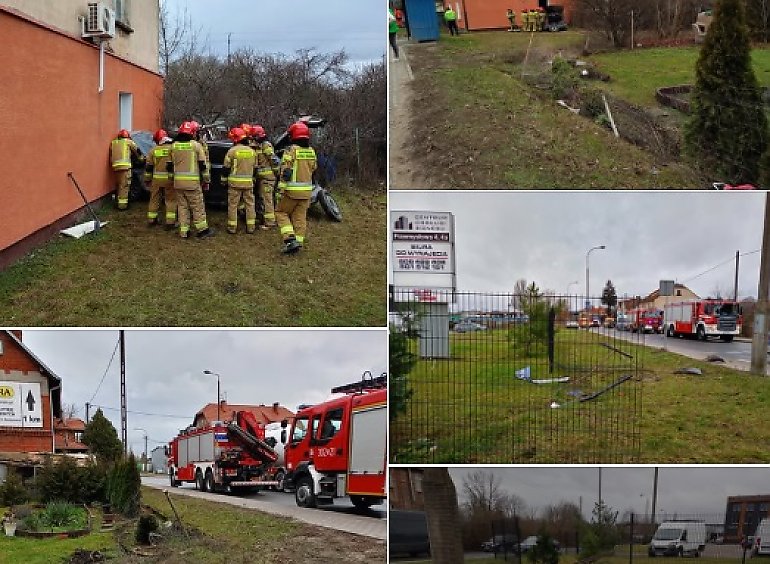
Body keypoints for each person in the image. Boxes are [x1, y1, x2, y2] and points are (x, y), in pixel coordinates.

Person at [167, 121, 214, 239]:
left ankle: (184, 232)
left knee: (182, 207)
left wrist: (172, 179)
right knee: (197, 206)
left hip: (178, 183)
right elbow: (203, 165)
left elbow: (169, 166)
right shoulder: (195, 146)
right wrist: (206, 180)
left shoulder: (174, 146)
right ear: (192, 133)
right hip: (192, 183)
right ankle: (202, 230)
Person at [275, 121, 317, 254]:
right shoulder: (311, 151)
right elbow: (314, 167)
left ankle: (289, 240)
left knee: (281, 213)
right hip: (306, 192)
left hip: (292, 192)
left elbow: (286, 171)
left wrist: (280, 189)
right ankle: (298, 243)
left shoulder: (291, 150)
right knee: (300, 218)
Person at [221, 127, 257, 234]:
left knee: (233, 205)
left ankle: (232, 227)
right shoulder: (252, 152)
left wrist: (223, 180)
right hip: (248, 183)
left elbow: (226, 168)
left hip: (234, 183)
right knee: (250, 204)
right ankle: (251, 227)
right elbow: (255, 168)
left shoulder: (232, 151)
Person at [144, 129, 176, 228]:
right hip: (169, 179)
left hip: (156, 180)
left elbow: (149, 167)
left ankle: (151, 219)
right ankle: (170, 222)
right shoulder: (172, 148)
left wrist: (147, 180)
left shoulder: (153, 150)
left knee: (154, 199)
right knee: (170, 200)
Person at [251, 124, 279, 229]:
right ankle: (263, 218)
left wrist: (276, 173)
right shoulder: (257, 146)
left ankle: (270, 222)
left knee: (267, 199)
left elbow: (273, 160)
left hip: (268, 179)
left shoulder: (266, 145)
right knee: (262, 198)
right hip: (261, 178)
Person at [109, 129, 143, 210]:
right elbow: (137, 150)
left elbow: (111, 155)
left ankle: (117, 201)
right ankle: (122, 206)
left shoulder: (113, 143)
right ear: (127, 136)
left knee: (119, 185)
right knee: (124, 186)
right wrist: (141, 159)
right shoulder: (128, 142)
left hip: (115, 167)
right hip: (125, 167)